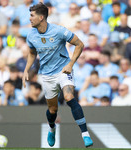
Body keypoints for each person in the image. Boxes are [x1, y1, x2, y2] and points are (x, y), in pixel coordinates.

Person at [22, 3, 93, 147]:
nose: (29, 19)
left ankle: (85, 134)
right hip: (47, 75)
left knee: (69, 97)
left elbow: (79, 44)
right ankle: (52, 128)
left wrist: (70, 64)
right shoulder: (31, 36)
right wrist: (26, 69)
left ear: (41, 17)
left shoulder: (59, 31)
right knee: (52, 110)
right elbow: (31, 53)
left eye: (32, 15)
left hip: (63, 70)